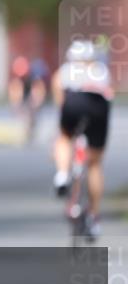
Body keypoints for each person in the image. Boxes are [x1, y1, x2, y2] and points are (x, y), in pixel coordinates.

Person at [51, 39, 113, 238]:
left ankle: (62, 174)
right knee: (94, 164)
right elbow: (108, 96)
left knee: (64, 137)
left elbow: (57, 89)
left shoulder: (67, 70)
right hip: (98, 106)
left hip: (73, 101)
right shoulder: (101, 70)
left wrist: (64, 111)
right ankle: (94, 215)